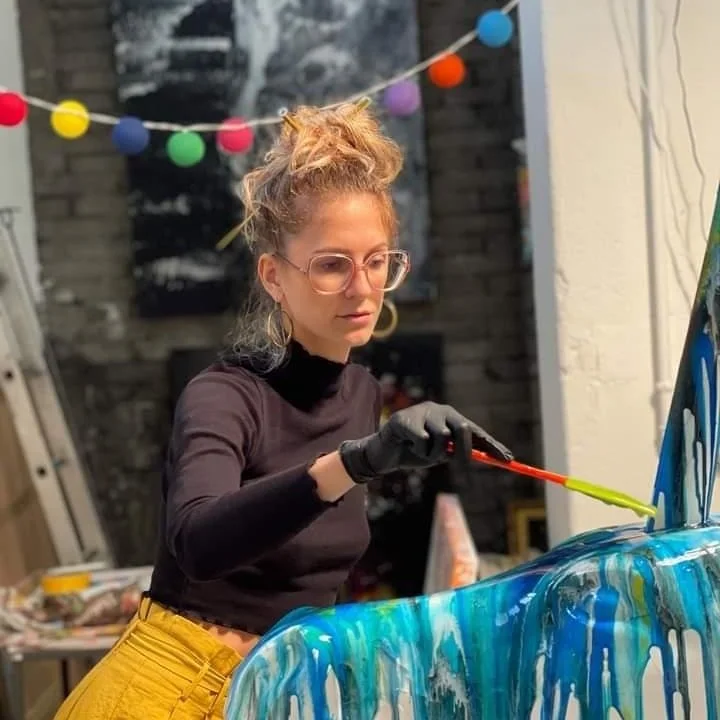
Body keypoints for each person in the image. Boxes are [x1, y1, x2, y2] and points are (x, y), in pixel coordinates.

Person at [53, 100, 512, 719]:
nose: (362, 287)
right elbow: (197, 543)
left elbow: (311, 577)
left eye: (377, 261)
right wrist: (352, 463)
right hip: (168, 692)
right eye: (332, 265)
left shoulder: (360, 393)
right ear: (273, 275)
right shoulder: (223, 395)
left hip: (274, 692)